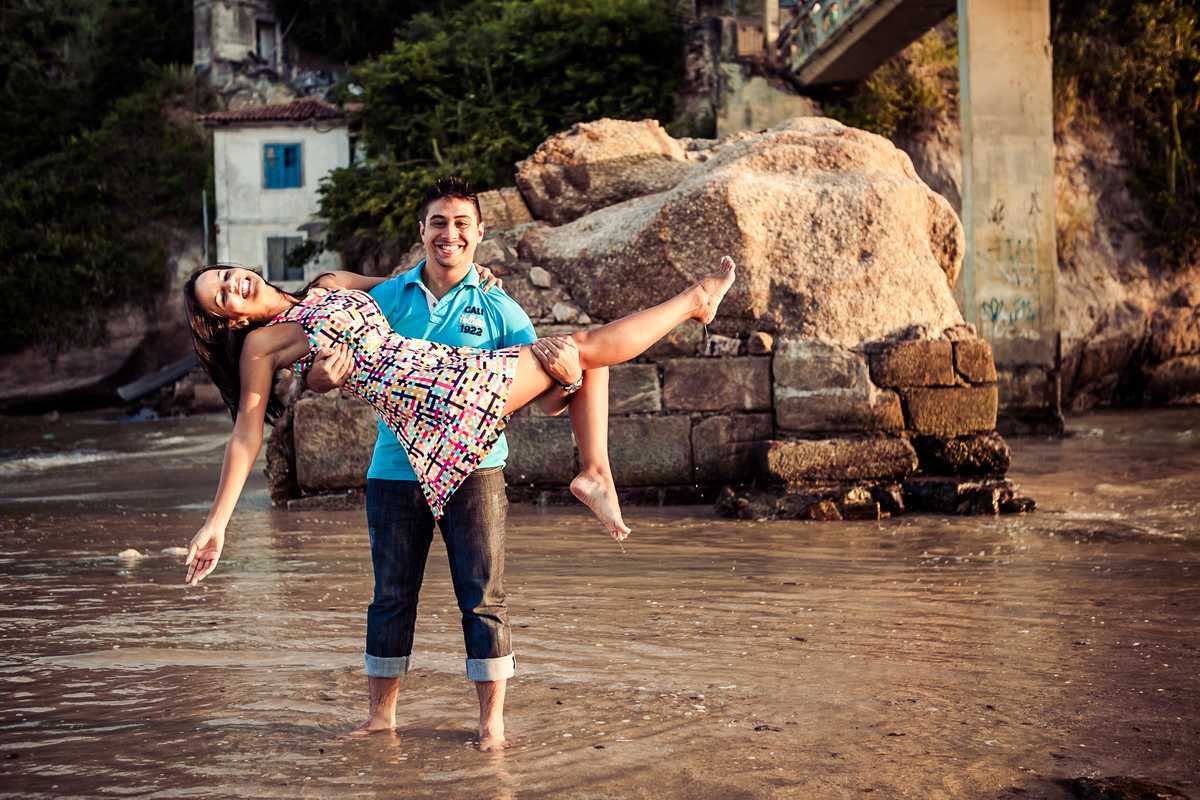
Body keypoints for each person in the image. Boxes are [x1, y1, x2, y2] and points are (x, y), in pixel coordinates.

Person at [180, 181, 736, 747]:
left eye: (225, 274)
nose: (232, 285)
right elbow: (246, 436)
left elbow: (410, 283)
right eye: (220, 296)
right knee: (589, 349)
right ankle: (685, 316)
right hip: (428, 397)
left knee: (582, 357)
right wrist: (219, 521)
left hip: (448, 381)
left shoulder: (331, 283)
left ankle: (599, 465)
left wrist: (478, 275)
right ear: (228, 320)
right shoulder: (262, 347)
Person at [299, 179, 610, 750]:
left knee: (483, 597)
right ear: (422, 231)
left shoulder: (499, 307)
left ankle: (492, 726)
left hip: (479, 470)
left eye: (462, 222)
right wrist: (319, 377)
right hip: (395, 472)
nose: (450, 233)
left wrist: (568, 379)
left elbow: (541, 398)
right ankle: (379, 719)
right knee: (391, 596)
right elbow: (318, 362)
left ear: (479, 233)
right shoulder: (385, 299)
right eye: (439, 222)